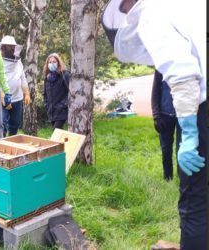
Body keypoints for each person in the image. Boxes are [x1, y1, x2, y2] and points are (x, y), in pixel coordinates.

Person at [102, 0, 206, 248]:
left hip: (200, 111)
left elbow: (183, 75)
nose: (126, 15)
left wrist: (190, 134)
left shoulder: (151, 14)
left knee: (194, 201)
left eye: (124, 11)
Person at [151, 70, 181, 181]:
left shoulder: (186, 62)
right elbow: (155, 92)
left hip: (183, 115)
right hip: (164, 116)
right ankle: (168, 179)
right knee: (166, 149)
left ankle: (182, 179)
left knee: (182, 148)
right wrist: (156, 116)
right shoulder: (161, 65)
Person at [0, 35, 31, 137]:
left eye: (12, 47)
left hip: (17, 98)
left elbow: (22, 77)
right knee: (2, 124)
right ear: (3, 47)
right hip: (2, 98)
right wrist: (3, 96)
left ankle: (11, 145)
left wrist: (26, 93)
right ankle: (1, 145)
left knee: (15, 124)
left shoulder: (18, 61)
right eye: (8, 46)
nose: (11, 49)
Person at [42, 53, 70, 129]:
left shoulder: (65, 75)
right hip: (51, 111)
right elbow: (45, 93)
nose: (52, 64)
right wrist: (46, 105)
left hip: (62, 111)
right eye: (50, 62)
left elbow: (70, 92)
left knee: (56, 131)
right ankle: (65, 141)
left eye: (54, 62)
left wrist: (63, 105)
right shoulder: (47, 77)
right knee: (59, 133)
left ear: (58, 62)